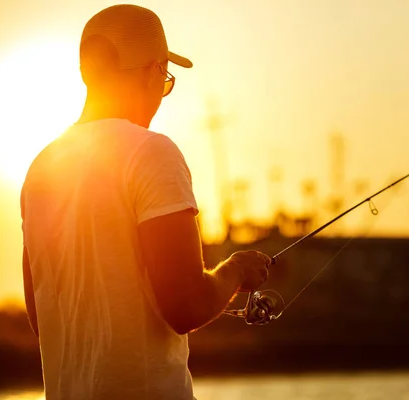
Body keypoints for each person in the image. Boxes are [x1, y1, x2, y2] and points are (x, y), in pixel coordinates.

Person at [20, 4, 271, 400]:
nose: (162, 92)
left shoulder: (40, 169)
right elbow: (185, 305)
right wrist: (235, 270)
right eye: (166, 78)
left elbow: (43, 318)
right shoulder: (152, 153)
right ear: (152, 70)